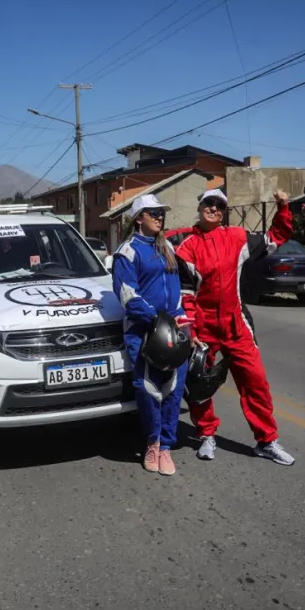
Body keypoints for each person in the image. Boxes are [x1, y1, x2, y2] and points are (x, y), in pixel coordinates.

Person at [176, 188, 296, 465]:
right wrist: (191, 329)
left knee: (256, 382)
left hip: (236, 324)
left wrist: (284, 207)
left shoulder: (238, 237)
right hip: (204, 328)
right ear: (200, 206)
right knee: (200, 384)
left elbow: (275, 237)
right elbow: (186, 295)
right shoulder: (187, 247)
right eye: (209, 203)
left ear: (224, 211)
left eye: (219, 205)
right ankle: (206, 434)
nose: (214, 209)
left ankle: (266, 441)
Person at [112, 194, 188, 476]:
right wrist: (157, 320)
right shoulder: (127, 252)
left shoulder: (166, 246)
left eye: (161, 213)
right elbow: (127, 295)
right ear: (138, 218)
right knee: (148, 389)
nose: (159, 217)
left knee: (173, 389)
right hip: (144, 332)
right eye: (153, 213)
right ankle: (152, 443)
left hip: (174, 330)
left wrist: (178, 317)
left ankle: (166, 447)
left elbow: (176, 289)